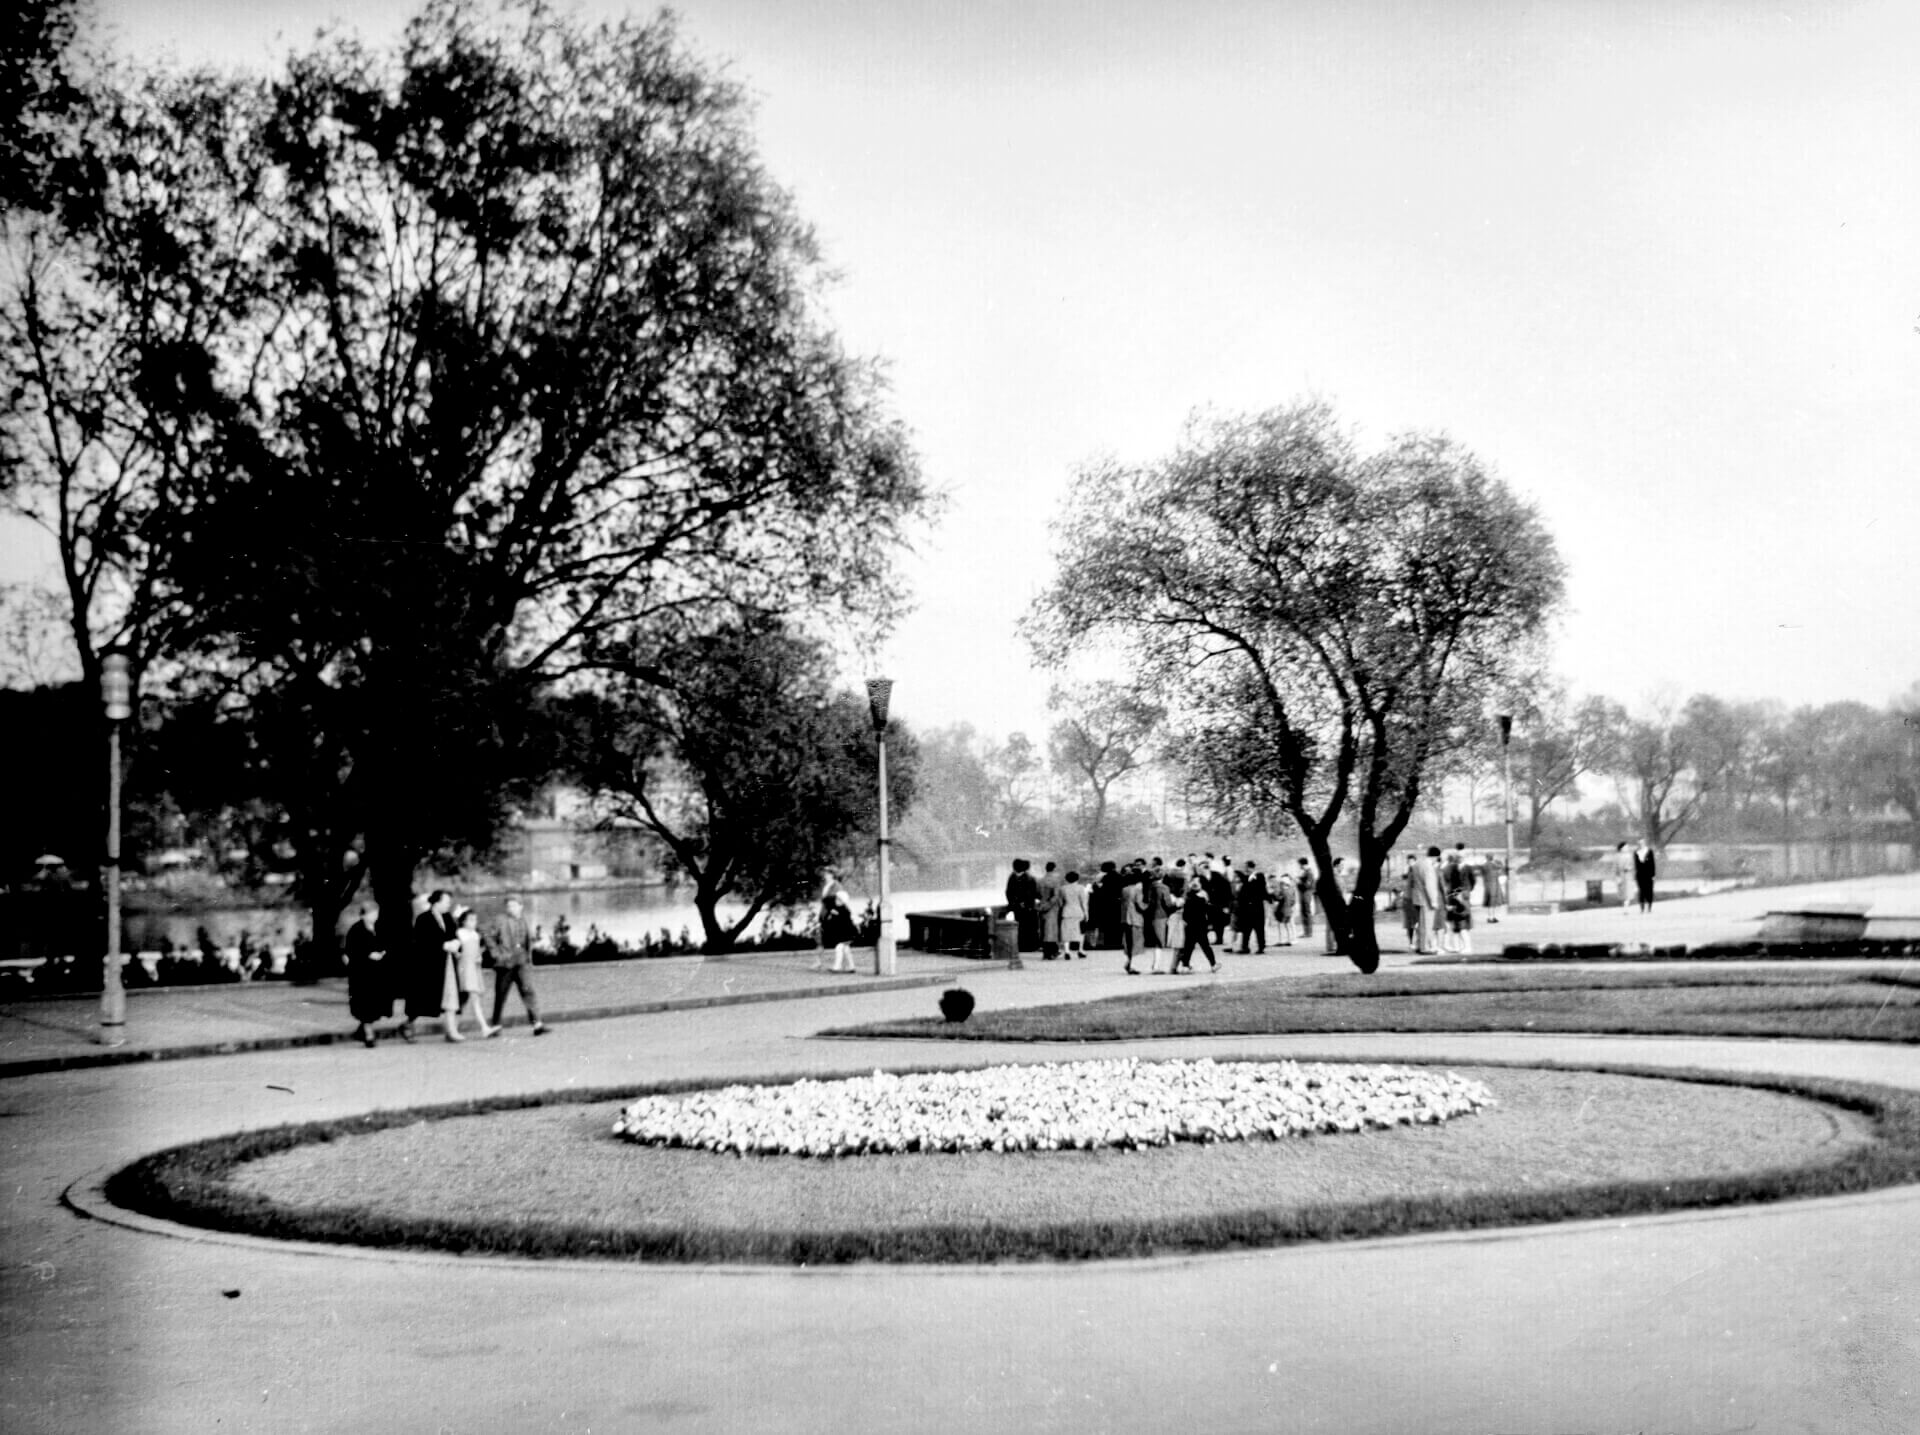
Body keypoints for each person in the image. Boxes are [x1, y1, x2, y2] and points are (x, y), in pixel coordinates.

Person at [486, 895, 549, 1036]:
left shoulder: (525, 919)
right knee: (501, 995)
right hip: (505, 964)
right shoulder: (500, 920)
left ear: (521, 906)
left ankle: (537, 1024)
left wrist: (533, 941)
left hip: (522, 962)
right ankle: (495, 1026)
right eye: (508, 906)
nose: (510, 908)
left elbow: (527, 938)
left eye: (514, 905)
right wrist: (496, 953)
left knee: (528, 991)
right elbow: (488, 936)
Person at [402, 890, 457, 1043]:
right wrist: (442, 945)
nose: (449, 905)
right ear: (436, 902)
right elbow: (421, 942)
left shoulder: (447, 917)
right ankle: (408, 1024)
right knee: (423, 999)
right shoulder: (423, 919)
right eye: (446, 902)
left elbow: (453, 934)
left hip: (445, 964)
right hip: (427, 966)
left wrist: (455, 943)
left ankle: (450, 1030)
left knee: (447, 996)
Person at [442, 907, 497, 1041]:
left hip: (474, 969)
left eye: (475, 920)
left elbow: (478, 951)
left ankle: (451, 1029)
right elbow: (456, 950)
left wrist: (479, 956)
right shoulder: (460, 934)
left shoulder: (475, 935)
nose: (474, 922)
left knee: (463, 1001)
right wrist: (458, 955)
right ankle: (484, 1027)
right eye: (471, 920)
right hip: (465, 969)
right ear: (464, 921)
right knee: (474, 998)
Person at [343, 902, 391, 1048]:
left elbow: (386, 944)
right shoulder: (356, 930)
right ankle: (369, 1034)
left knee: (375, 1004)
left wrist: (382, 952)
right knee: (365, 1004)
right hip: (362, 974)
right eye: (372, 913)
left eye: (376, 912)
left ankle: (362, 1029)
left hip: (377, 973)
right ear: (364, 914)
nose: (375, 916)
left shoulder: (379, 927)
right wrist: (368, 955)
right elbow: (351, 951)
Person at [1170, 876, 1219, 974]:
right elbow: (1208, 911)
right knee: (1205, 946)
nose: (1194, 883)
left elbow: (1186, 912)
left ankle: (1185, 966)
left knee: (1188, 946)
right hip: (1201, 924)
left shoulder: (1188, 896)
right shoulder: (1204, 896)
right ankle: (1213, 964)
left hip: (1190, 925)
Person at [817, 868, 858, 972]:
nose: (825, 876)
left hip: (845, 933)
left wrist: (833, 912)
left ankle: (837, 966)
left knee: (840, 947)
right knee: (845, 949)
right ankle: (851, 966)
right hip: (844, 932)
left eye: (827, 874)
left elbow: (842, 916)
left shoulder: (837, 890)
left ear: (832, 875)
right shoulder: (839, 909)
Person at [1005, 858, 1041, 955]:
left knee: (1021, 927)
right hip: (1027, 907)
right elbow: (1034, 893)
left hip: (1018, 907)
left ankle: (1022, 946)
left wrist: (1014, 903)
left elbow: (1008, 893)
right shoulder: (1030, 878)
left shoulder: (1012, 878)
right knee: (1029, 927)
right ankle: (1030, 946)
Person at [1442, 851, 1475, 956]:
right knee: (1456, 924)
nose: (1459, 859)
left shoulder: (1468, 868)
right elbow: (1450, 884)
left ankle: (1467, 947)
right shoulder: (1452, 869)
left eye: (1461, 857)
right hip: (1455, 897)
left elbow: (1473, 881)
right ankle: (1458, 947)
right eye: (1458, 857)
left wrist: (1466, 892)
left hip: (1463, 897)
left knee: (1462, 923)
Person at [1412, 848, 1442, 955]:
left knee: (1420, 924)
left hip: (1417, 898)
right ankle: (1425, 948)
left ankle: (1419, 945)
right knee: (1427, 924)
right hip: (1426, 900)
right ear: (1435, 856)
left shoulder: (1417, 864)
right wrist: (1434, 901)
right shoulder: (1429, 867)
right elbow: (1429, 885)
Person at [1234, 861, 1269, 954]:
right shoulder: (1245, 879)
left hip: (1257, 907)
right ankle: (1245, 947)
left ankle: (1261, 947)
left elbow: (1262, 890)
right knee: (1246, 928)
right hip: (1247, 908)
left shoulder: (1259, 877)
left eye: (1246, 868)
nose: (1245, 870)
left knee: (1259, 928)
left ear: (1251, 868)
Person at [1120, 865, 1147, 974]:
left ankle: (1128, 962)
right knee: (1136, 941)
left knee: (1128, 941)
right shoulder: (1137, 890)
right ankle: (1133, 964)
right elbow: (1139, 904)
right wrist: (1147, 907)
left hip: (1125, 917)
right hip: (1135, 917)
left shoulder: (1124, 889)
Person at [1058, 870, 1090, 959]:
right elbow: (1084, 902)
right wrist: (1086, 913)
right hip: (1078, 911)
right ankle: (1080, 950)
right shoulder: (1081, 888)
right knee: (1080, 931)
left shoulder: (1063, 888)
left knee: (1066, 932)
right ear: (1077, 878)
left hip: (1067, 911)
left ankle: (1067, 951)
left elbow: (1060, 902)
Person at [1037, 861, 1065, 960]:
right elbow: (1056, 896)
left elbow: (1037, 894)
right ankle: (1051, 952)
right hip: (1052, 908)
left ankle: (1046, 951)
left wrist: (1042, 905)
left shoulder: (1040, 880)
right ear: (1054, 869)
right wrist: (1050, 905)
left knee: (1044, 930)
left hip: (1042, 906)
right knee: (1052, 930)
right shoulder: (1056, 880)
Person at [1203, 862, 1233, 947]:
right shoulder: (1201, 878)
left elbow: (1227, 891)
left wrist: (1226, 905)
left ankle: (1219, 939)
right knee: (1206, 921)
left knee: (1219, 922)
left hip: (1219, 903)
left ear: (1207, 869)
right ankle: (1204, 939)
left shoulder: (1218, 877)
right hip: (1207, 904)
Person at [1398, 855, 1421, 950]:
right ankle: (1411, 942)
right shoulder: (1406, 873)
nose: (1410, 863)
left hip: (1415, 900)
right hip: (1408, 900)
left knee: (1418, 922)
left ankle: (1419, 941)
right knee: (1409, 923)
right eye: (1408, 862)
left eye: (1411, 861)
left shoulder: (1417, 872)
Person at [1633, 839, 1657, 914]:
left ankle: (1649, 908)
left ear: (1645, 843)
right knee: (1641, 891)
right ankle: (1642, 908)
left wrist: (1653, 875)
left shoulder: (1649, 852)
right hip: (1640, 875)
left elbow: (1653, 864)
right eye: (1639, 843)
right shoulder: (1636, 853)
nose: (1641, 845)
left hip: (1649, 875)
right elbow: (1636, 865)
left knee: (1649, 891)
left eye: (1642, 843)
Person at [1294, 858, 1315, 940]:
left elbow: (1307, 885)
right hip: (1303, 893)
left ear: (1302, 864)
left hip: (1306, 893)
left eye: (1299, 864)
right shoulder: (1305, 872)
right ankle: (1306, 931)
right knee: (1304, 912)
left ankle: (1309, 932)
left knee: (1306, 912)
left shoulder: (1309, 872)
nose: (1299, 866)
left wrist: (1299, 882)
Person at [1613, 841, 1633, 912]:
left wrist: (1629, 868)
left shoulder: (1630, 856)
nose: (1627, 848)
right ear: (1621, 848)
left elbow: (1632, 865)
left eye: (1627, 847)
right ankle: (1624, 907)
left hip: (1628, 875)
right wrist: (1617, 877)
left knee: (1628, 893)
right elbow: (1615, 868)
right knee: (1622, 893)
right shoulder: (1617, 856)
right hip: (1621, 876)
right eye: (1625, 847)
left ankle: (1626, 908)